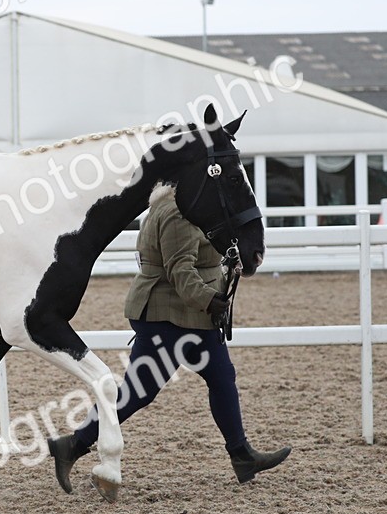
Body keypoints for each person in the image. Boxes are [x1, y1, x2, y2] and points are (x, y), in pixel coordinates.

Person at [47, 183, 291, 493]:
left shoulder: (180, 204)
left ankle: (242, 455)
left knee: (220, 377)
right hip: (167, 314)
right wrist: (209, 299)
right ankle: (73, 444)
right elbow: (180, 270)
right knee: (139, 392)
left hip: (188, 315)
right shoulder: (178, 212)